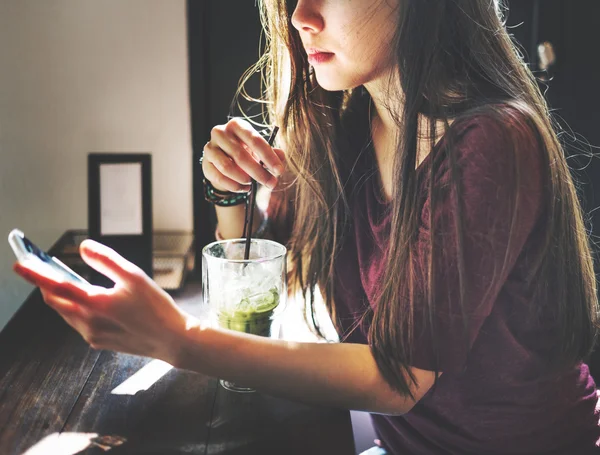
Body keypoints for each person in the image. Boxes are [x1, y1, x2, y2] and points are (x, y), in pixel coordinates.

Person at [13, 0, 600, 453]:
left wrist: (177, 340)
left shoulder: (490, 140)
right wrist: (229, 188)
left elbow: (397, 379)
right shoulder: (346, 123)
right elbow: (263, 270)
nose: (300, 17)